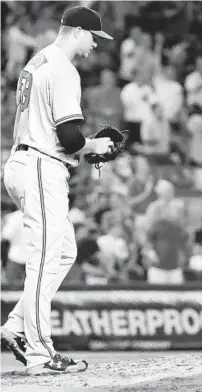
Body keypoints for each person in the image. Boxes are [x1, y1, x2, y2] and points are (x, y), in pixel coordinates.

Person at [1, 6, 114, 374]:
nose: (96, 45)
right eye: (94, 37)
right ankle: (40, 354)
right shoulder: (63, 69)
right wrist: (95, 147)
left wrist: (86, 147)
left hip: (27, 161)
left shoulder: (38, 60)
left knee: (65, 251)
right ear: (78, 31)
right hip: (40, 166)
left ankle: (17, 328)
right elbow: (68, 139)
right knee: (46, 258)